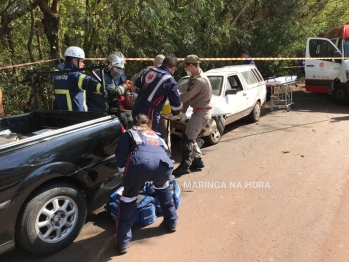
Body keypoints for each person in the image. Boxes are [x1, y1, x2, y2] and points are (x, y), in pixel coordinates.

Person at [114, 113, 178, 254]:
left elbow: (120, 158)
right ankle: (172, 222)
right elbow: (166, 153)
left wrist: (127, 174)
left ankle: (123, 241)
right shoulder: (157, 135)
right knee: (163, 190)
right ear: (148, 124)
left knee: (129, 198)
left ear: (135, 124)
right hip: (164, 165)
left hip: (140, 165)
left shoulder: (130, 133)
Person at [52, 46, 129, 111]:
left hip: (62, 118)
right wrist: (122, 87)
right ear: (74, 61)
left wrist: (59, 66)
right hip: (78, 120)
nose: (83, 64)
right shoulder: (78, 77)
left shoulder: (56, 76)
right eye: (81, 61)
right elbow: (107, 90)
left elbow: (63, 73)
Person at [172, 55, 212, 177]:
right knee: (190, 137)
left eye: (185, 66)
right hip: (198, 112)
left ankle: (185, 165)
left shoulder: (200, 80)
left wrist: (172, 97)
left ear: (191, 65)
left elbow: (186, 96)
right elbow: (189, 100)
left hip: (201, 113)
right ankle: (198, 161)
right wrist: (182, 112)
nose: (185, 69)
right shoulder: (193, 78)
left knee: (186, 140)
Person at [132, 55, 182, 136]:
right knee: (152, 137)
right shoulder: (170, 80)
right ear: (174, 68)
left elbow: (138, 83)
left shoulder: (149, 71)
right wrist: (174, 112)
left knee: (136, 134)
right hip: (150, 113)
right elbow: (176, 105)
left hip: (136, 107)